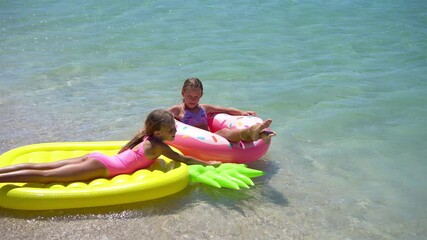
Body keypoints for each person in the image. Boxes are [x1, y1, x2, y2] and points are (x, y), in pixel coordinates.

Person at [0, 109, 219, 183]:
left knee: (45, 168)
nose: (176, 132)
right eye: (172, 129)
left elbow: (124, 153)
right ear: (159, 132)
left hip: (99, 158)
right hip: (103, 166)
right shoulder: (159, 146)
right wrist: (209, 162)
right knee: (47, 176)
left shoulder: (144, 136)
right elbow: (184, 159)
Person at [168, 77, 276, 143]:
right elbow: (159, 117)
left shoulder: (204, 108)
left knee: (234, 138)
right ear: (183, 93)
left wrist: (241, 112)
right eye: (189, 96)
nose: (193, 99)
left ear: (201, 95)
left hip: (212, 139)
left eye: (196, 96)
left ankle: (260, 134)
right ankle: (252, 131)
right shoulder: (178, 110)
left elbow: (226, 110)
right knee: (225, 132)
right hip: (195, 142)